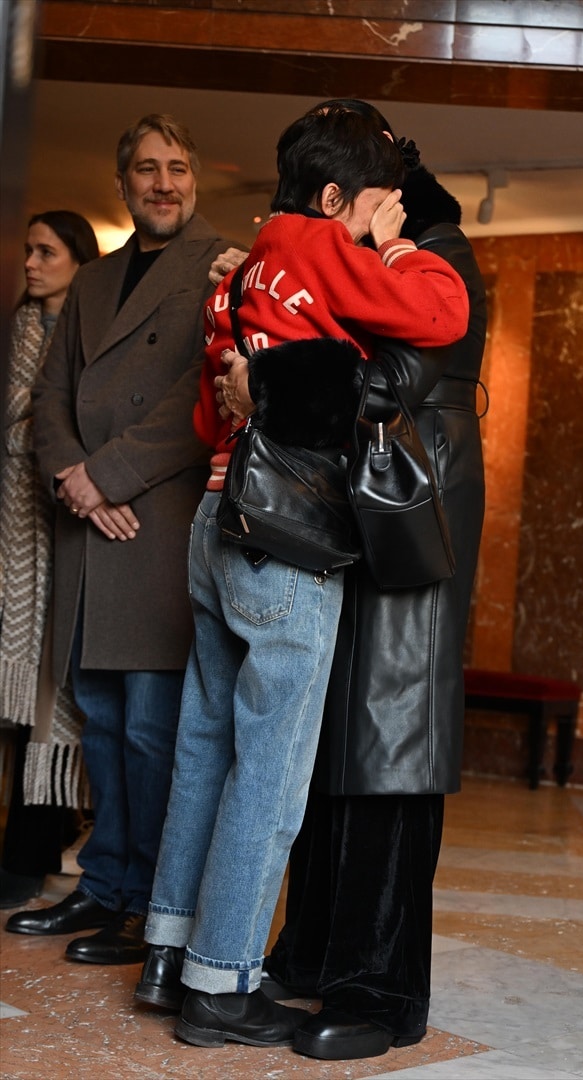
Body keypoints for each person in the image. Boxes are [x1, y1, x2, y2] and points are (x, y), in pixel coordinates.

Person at [132, 106, 469, 1050]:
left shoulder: (238, 275)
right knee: (272, 775)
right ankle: (222, 983)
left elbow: (209, 421)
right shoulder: (324, 249)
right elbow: (445, 310)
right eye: (372, 205)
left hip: (212, 519)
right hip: (284, 538)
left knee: (202, 746)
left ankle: (167, 949)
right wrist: (397, 251)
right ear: (333, 200)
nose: (379, 219)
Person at [5, 115, 233, 965]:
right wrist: (76, 479)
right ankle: (101, 888)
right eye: (146, 169)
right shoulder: (95, 282)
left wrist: (111, 476)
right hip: (92, 533)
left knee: (151, 731)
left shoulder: (222, 265)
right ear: (124, 183)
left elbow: (203, 398)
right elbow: (49, 402)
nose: (162, 183)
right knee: (99, 723)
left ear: (195, 178)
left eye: (176, 167)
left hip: (159, 527)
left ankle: (148, 904)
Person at [0, 211, 99, 910]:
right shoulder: (11, 334)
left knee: (49, 700)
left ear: (78, 260)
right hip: (10, 535)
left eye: (45, 251)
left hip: (66, 531)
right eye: (28, 251)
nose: (31, 263)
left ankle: (31, 850)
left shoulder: (92, 338)